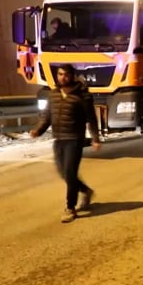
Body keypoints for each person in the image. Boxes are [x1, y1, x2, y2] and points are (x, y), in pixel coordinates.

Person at [30, 64, 101, 223]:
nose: (63, 77)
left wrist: (95, 138)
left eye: (66, 75)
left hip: (74, 139)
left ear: (72, 76)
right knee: (64, 173)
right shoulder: (53, 94)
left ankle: (70, 208)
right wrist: (38, 130)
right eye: (60, 74)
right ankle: (86, 191)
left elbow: (91, 119)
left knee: (69, 173)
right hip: (58, 139)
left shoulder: (82, 96)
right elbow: (47, 117)